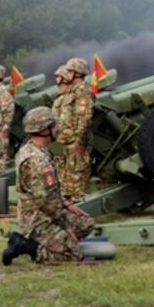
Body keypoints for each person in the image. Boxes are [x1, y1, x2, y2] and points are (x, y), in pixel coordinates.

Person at [2, 106, 95, 265]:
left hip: (44, 211)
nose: (57, 129)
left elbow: (48, 193)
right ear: (45, 130)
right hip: (37, 217)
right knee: (73, 254)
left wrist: (66, 203)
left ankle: (54, 241)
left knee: (85, 223)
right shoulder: (37, 161)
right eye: (53, 126)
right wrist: (65, 227)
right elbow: (46, 202)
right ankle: (27, 246)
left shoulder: (31, 149)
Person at [56, 57, 94, 201]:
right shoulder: (70, 91)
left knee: (77, 175)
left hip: (75, 141)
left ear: (77, 73)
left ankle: (79, 204)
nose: (67, 74)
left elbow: (84, 118)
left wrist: (79, 140)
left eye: (70, 71)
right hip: (64, 140)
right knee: (65, 173)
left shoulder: (83, 90)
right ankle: (67, 200)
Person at [49, 64, 72, 180]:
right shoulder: (60, 97)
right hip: (58, 140)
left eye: (59, 77)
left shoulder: (72, 96)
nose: (56, 80)